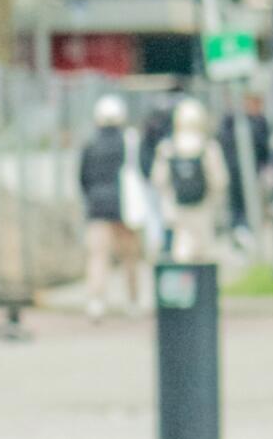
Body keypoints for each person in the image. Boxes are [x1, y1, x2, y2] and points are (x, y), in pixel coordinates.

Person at [76, 94, 144, 319]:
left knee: (98, 256)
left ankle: (96, 301)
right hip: (126, 206)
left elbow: (83, 177)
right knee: (130, 257)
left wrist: (91, 197)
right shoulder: (129, 142)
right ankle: (132, 301)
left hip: (97, 207)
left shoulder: (90, 144)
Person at [153, 98, 230, 263]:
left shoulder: (168, 147)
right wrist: (214, 200)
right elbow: (220, 181)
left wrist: (170, 198)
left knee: (181, 248)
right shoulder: (209, 147)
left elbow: (158, 180)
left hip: (177, 208)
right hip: (203, 207)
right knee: (205, 251)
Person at [218, 92, 271, 242]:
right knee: (236, 201)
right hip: (234, 168)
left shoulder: (259, 121)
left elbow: (263, 147)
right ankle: (237, 228)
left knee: (250, 200)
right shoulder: (232, 121)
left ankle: (246, 228)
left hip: (252, 169)